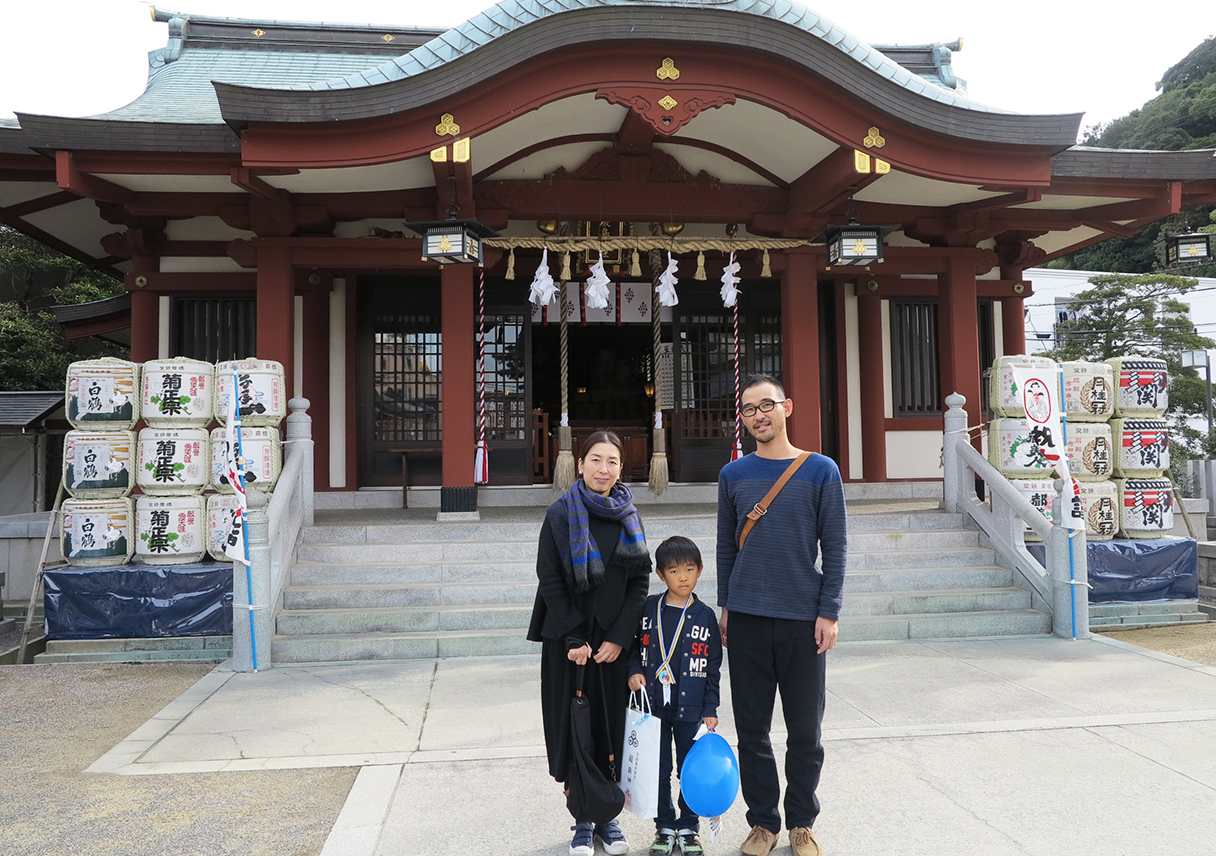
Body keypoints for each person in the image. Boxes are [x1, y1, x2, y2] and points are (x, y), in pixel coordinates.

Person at [716, 374, 847, 856]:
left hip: (801, 619)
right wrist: (726, 606)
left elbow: (835, 546)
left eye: (766, 405)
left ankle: (801, 823)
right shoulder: (733, 476)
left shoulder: (820, 471)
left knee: (805, 732)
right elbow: (726, 548)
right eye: (749, 410)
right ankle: (763, 823)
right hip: (747, 617)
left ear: (787, 407)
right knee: (751, 731)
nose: (758, 415)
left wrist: (828, 612)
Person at [528, 431, 653, 856]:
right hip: (570, 639)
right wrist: (574, 636)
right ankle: (582, 819)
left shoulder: (628, 514)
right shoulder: (560, 514)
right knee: (575, 728)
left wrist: (620, 638)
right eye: (596, 460)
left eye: (613, 461)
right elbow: (549, 579)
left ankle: (608, 817)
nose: (604, 469)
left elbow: (639, 582)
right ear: (580, 464)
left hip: (613, 641)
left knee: (609, 727)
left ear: (622, 467)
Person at [628, 535, 723, 856]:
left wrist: (711, 707)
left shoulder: (705, 615)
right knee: (658, 769)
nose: (682, 577)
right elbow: (632, 648)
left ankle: (689, 826)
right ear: (660, 574)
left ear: (699, 571)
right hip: (653, 708)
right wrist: (633, 671)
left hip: (692, 709)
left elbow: (713, 667)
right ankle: (664, 825)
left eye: (689, 569)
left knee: (689, 769)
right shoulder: (649, 608)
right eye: (673, 571)